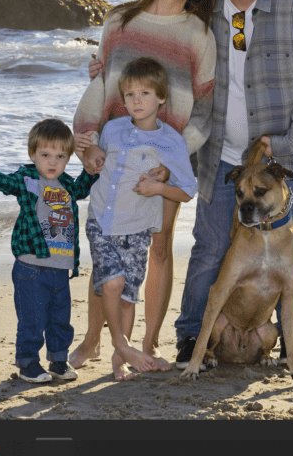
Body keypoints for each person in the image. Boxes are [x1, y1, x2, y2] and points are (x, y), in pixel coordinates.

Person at [174, 0, 293, 369]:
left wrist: (286, 142)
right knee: (208, 249)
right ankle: (192, 340)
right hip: (219, 158)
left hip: (287, 164)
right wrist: (107, 64)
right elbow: (166, 58)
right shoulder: (203, 12)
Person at [69, 0, 216, 369]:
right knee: (108, 248)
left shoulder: (198, 34)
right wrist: (88, 139)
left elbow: (205, 107)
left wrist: (173, 161)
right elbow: (104, 82)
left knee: (160, 246)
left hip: (163, 161)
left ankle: (148, 343)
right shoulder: (121, 18)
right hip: (115, 154)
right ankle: (95, 339)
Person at [80, 57, 198, 381]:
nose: (136, 101)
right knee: (113, 283)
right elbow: (95, 163)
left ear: (161, 97)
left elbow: (187, 190)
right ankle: (121, 342)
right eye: (130, 95)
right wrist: (89, 156)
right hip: (102, 222)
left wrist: (158, 187)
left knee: (128, 297)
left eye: (145, 94)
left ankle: (121, 358)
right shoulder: (112, 129)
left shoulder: (170, 140)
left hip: (137, 230)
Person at [0, 118, 98, 383]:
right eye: (45, 155)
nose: (52, 162)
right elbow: (7, 183)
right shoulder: (28, 180)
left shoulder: (65, 184)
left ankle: (58, 361)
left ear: (67, 158)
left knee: (60, 319)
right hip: (31, 267)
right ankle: (28, 363)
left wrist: (92, 169)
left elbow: (82, 189)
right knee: (32, 319)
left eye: (60, 156)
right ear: (33, 154)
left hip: (60, 269)